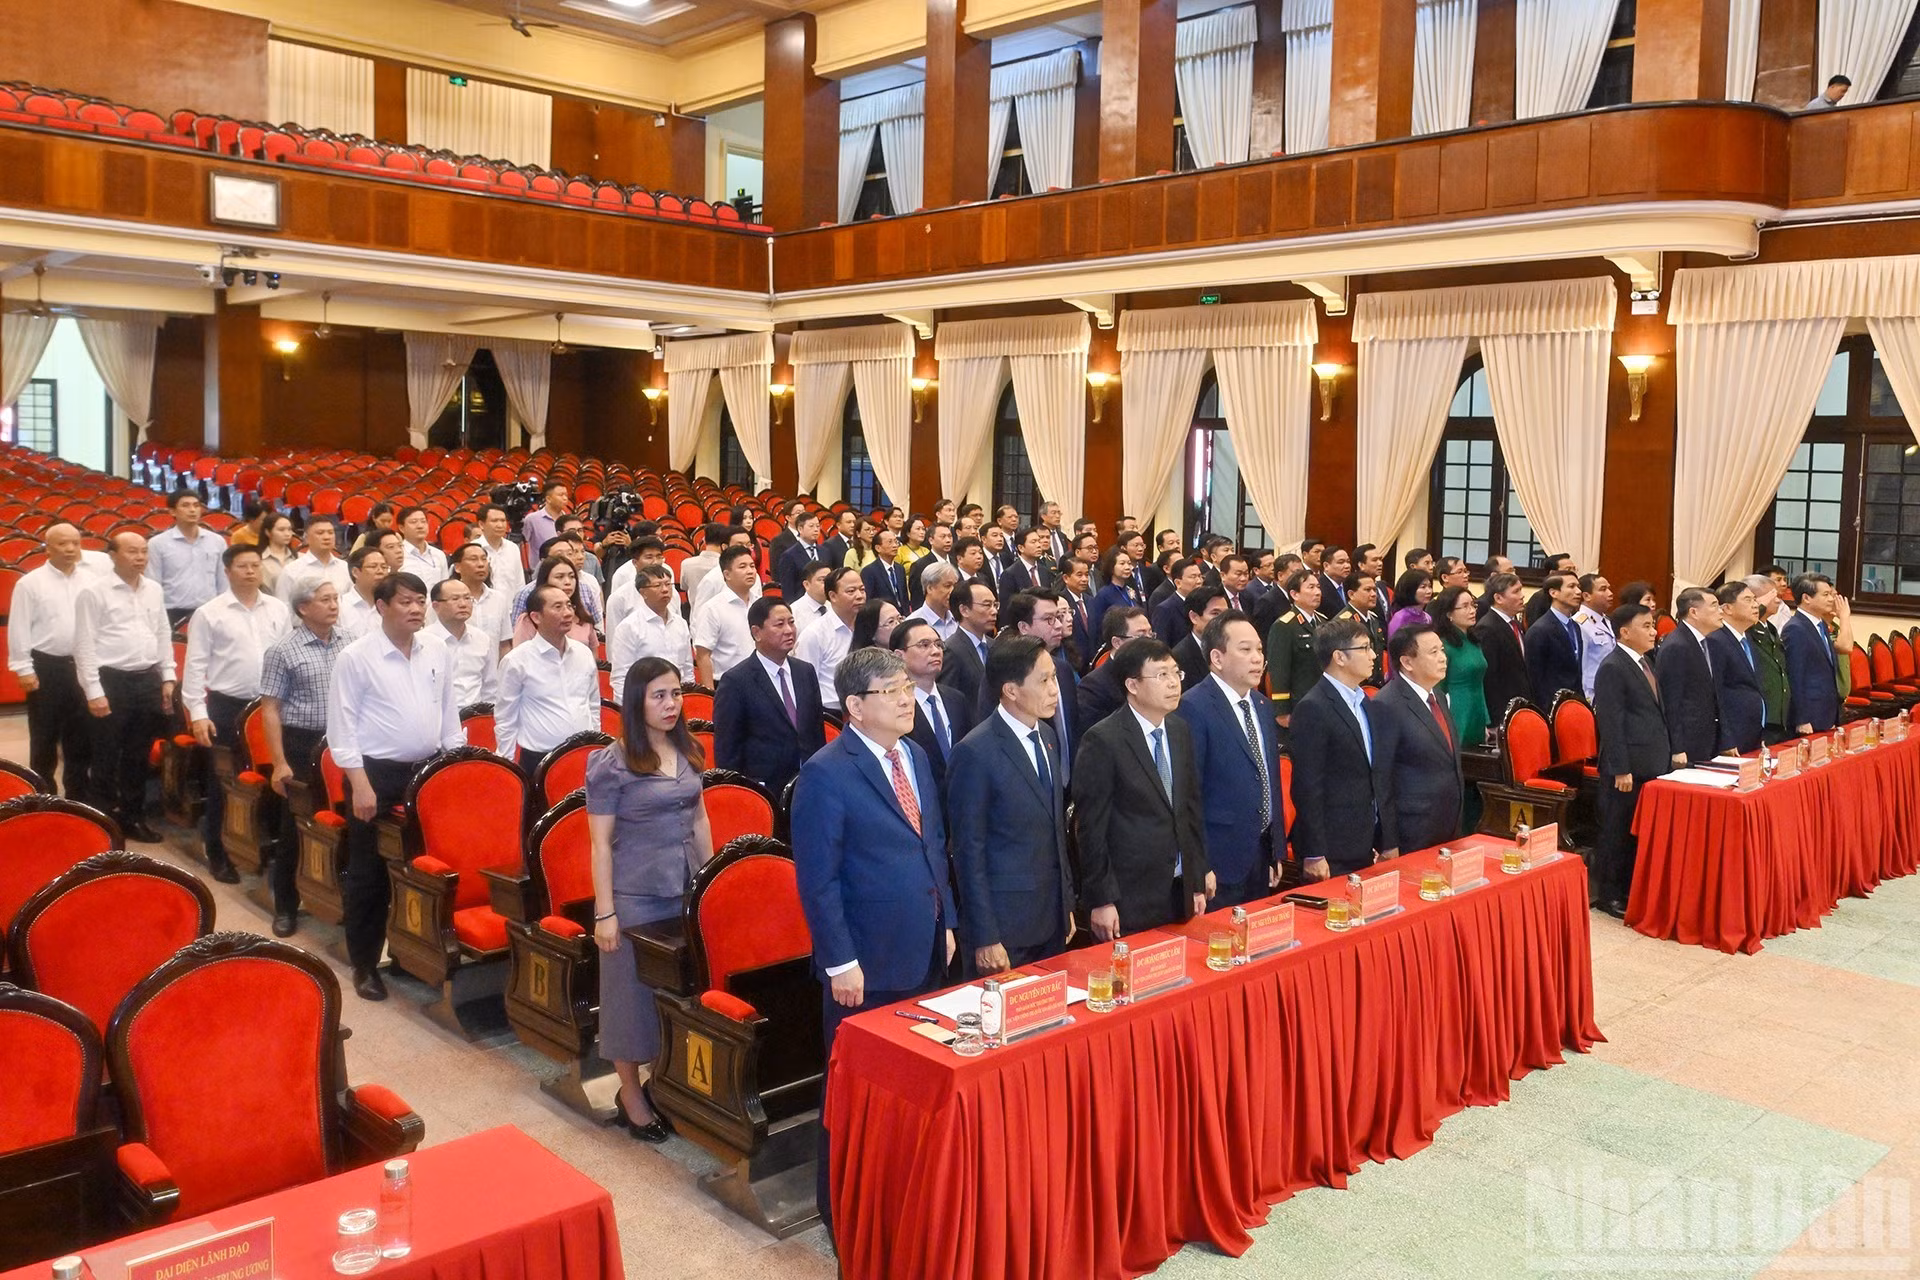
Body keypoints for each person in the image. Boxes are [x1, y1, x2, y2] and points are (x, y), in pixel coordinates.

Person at [792, 645, 955, 1236]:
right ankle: (842, 1211)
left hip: (926, 942)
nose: (907, 698)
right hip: (863, 960)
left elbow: (931, 844)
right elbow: (818, 879)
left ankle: (900, 1198)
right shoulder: (826, 772)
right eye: (892, 691)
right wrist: (840, 961)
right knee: (855, 1094)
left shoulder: (913, 754)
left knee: (911, 1087)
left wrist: (950, 921)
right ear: (856, 706)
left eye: (907, 687)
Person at [588, 656, 713, 1144]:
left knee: (676, 992)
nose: (671, 704)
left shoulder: (688, 748)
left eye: (676, 694)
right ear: (636, 701)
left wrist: (709, 881)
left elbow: (699, 818)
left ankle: (667, 1081)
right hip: (636, 893)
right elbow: (599, 844)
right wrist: (605, 912)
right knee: (630, 997)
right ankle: (630, 1093)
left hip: (683, 888)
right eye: (659, 695)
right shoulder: (612, 763)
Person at [326, 573, 463, 1000]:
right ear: (381, 607)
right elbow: (341, 727)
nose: (416, 609)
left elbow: (448, 713)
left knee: (422, 868)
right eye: (405, 601)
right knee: (369, 872)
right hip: (375, 776)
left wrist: (455, 766)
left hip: (426, 773)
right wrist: (359, 784)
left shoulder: (437, 649)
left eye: (420, 601)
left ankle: (412, 952)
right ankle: (365, 963)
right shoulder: (356, 657)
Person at [948, 635, 1073, 971]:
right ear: (1011, 690)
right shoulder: (975, 751)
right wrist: (986, 935)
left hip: (1051, 918)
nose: (1054, 690)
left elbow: (1055, 830)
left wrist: (1066, 903)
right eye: (1044, 680)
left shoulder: (1047, 737)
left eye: (1055, 678)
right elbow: (968, 851)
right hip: (1006, 927)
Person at [1073, 639, 1212, 935]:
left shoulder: (1178, 730)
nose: (1174, 683)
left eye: (1176, 673)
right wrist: (1101, 899)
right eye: (1162, 675)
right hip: (1129, 895)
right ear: (1132, 685)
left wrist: (1197, 877)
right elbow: (1091, 829)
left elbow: (1190, 808)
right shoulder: (1103, 739)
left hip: (1178, 888)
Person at [183, 543, 293, 883]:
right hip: (227, 705)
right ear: (228, 571)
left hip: (271, 707)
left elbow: (289, 656)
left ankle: (268, 843)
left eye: (255, 565)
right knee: (223, 782)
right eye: (243, 566)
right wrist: (198, 712)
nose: (250, 571)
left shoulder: (277, 608)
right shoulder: (210, 612)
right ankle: (216, 850)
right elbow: (195, 665)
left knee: (277, 775)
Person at [259, 577, 348, 937]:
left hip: (342, 743)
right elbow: (269, 709)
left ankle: (336, 897)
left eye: (335, 598)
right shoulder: (282, 650)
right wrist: (279, 760)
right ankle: (285, 907)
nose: (333, 605)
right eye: (324, 599)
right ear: (303, 608)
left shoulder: (350, 642)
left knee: (344, 824)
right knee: (294, 828)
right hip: (301, 744)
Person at [1175, 610, 1281, 909]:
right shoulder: (1193, 707)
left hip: (1259, 855)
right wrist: (1199, 865)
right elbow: (1188, 794)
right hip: (1217, 861)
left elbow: (1268, 777)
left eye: (1259, 649)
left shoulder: (1261, 704)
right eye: (1245, 650)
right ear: (1217, 658)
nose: (1257, 658)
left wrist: (1275, 850)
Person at [74, 530, 175, 843]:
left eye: (144, 551)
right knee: (105, 754)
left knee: (137, 754)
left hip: (146, 678)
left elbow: (162, 633)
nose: (140, 557)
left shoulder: (154, 590)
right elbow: (84, 644)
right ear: (113, 555)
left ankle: (132, 817)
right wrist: (94, 691)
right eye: (132, 551)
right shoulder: (94, 592)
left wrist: (167, 676)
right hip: (111, 680)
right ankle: (101, 824)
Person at [1590, 603, 1677, 919]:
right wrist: (1621, 767)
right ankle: (1609, 895)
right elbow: (1611, 723)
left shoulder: (1646, 662)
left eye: (1653, 625)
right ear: (1625, 632)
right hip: (1625, 769)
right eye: (1646, 626)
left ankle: (1629, 889)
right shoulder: (1614, 666)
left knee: (1637, 832)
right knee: (1618, 831)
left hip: (1652, 762)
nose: (1654, 632)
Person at [7, 521, 102, 799]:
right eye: (63, 543)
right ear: (48, 548)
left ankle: (78, 794)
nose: (71, 548)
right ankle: (42, 793)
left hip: (85, 665)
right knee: (44, 734)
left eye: (76, 543)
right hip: (47, 667)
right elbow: (19, 628)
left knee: (80, 734)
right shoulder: (30, 583)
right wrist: (23, 667)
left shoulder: (92, 581)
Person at [1288, 616, 1386, 879]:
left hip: (1365, 840)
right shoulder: (1314, 707)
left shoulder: (1364, 701)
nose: (1373, 655)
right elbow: (1307, 786)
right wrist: (1314, 852)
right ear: (1339, 657)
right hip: (1333, 847)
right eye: (1364, 648)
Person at [713, 598, 826, 799]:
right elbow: (728, 749)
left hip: (811, 782)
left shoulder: (805, 671)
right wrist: (743, 791)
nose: (789, 630)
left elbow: (816, 730)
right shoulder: (736, 681)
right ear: (756, 632)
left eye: (791, 622)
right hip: (765, 789)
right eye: (779, 624)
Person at [1368, 624, 1463, 856]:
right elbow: (1382, 778)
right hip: (1413, 829)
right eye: (1434, 653)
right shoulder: (1387, 703)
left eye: (1442, 650)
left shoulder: (1437, 695)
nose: (1443, 658)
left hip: (1449, 822)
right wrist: (1388, 841)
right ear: (1407, 662)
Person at [495, 585, 601, 771]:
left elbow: (592, 703)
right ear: (536, 617)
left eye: (569, 606)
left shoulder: (583, 653)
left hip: (583, 753)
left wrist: (596, 742)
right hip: (538, 759)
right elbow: (506, 717)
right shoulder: (516, 661)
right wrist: (507, 763)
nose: (567, 613)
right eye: (558, 607)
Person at [892, 617, 973, 794]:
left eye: (938, 644)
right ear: (899, 656)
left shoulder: (956, 699)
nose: (935, 651)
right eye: (924, 645)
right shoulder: (896, 707)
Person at [1657, 586, 1723, 766]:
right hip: (1688, 742)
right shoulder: (1677, 645)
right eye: (1714, 606)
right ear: (1694, 612)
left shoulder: (1705, 641)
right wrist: (1677, 747)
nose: (1721, 611)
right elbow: (1672, 701)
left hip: (1707, 738)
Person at [1076, 607, 1154, 754]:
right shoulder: (1093, 686)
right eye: (1141, 636)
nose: (1149, 641)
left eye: (1151, 634)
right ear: (1117, 642)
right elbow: (1096, 741)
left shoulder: (1152, 674)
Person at [609, 563, 693, 699]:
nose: (665, 589)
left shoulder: (680, 623)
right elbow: (621, 677)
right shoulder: (629, 627)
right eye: (657, 585)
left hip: (676, 698)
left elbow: (687, 668)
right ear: (643, 593)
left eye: (668, 584)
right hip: (645, 700)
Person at [148, 490, 227, 626]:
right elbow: (153, 582)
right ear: (172, 511)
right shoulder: (158, 543)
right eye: (185, 505)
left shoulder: (217, 541)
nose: (192, 510)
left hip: (210, 611)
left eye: (196, 505)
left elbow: (223, 581)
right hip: (172, 612)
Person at [1708, 581, 1768, 755]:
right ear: (1727, 608)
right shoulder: (1716, 640)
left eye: (1755, 599)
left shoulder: (1747, 637)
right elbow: (1716, 692)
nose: (1756, 605)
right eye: (1748, 600)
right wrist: (1726, 739)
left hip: (1753, 730)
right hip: (1733, 734)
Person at [793, 567, 866, 711]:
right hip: (832, 715)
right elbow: (804, 687)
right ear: (833, 596)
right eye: (851, 591)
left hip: (867, 711)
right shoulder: (815, 634)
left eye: (862, 589)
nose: (859, 596)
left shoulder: (868, 625)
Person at [1429, 586, 1490, 747]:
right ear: (1449, 614)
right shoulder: (1443, 645)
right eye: (1465, 606)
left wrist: (1485, 718)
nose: (1472, 610)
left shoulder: (1473, 640)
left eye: (1473, 605)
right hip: (1456, 711)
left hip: (1476, 710)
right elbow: (1437, 687)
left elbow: (1479, 683)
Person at [1266, 569, 1326, 731]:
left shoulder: (1323, 621)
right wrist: (1282, 710)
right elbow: (1278, 670)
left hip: (1323, 700)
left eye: (1318, 587)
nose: (1317, 592)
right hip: (1299, 702)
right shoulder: (1284, 625)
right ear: (1295, 594)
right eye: (1311, 587)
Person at [425, 578, 499, 707]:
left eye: (467, 598)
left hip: (476, 718)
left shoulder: (482, 639)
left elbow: (490, 686)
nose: (463, 604)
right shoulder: (424, 642)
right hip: (439, 718)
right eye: (455, 599)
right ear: (436, 606)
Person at [692, 545, 760, 686]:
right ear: (727, 574)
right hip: (727, 683)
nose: (750, 571)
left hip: (761, 681)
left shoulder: (761, 604)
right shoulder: (713, 608)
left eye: (752, 566)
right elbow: (703, 654)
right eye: (742, 567)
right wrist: (710, 691)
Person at [1785, 572, 1843, 734]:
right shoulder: (1795, 629)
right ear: (1807, 598)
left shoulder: (1821, 624)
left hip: (1826, 712)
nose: (1831, 599)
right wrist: (1801, 719)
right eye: (1825, 595)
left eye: (1831, 594)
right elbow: (1795, 676)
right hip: (1810, 715)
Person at [1471, 571, 1529, 728]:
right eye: (1516, 591)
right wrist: (1496, 720)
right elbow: (1489, 678)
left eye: (1521, 590)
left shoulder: (1514, 623)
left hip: (1519, 708)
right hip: (1502, 714)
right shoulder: (1487, 627)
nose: (1522, 596)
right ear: (1498, 598)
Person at [1524, 572, 1586, 708]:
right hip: (1552, 708)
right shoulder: (1540, 630)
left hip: (1575, 704)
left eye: (1579, 587)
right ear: (1554, 592)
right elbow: (1536, 679)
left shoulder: (1575, 626)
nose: (1578, 592)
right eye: (1571, 586)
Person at [1743, 574, 1791, 743]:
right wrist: (1759, 603)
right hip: (1762, 715)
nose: (1779, 600)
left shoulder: (1770, 628)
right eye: (1774, 596)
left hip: (1779, 715)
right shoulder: (1748, 629)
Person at [937, 581, 998, 708]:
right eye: (987, 605)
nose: (994, 611)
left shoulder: (995, 645)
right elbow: (949, 700)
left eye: (995, 605)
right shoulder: (951, 650)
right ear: (964, 610)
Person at [446, 543, 512, 652]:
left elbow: (504, 644)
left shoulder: (499, 599)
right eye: (473, 559)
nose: (481, 564)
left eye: (484, 559)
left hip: (492, 667)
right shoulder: (445, 599)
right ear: (457, 567)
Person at [276, 515, 351, 605]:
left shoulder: (345, 567)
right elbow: (282, 606)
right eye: (320, 533)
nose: (327, 537)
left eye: (330, 532)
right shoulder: (292, 571)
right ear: (307, 538)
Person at [1334, 573, 1386, 687]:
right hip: (1355, 685)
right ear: (1351, 594)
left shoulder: (1373, 618)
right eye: (1367, 590)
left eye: (1374, 590)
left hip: (1376, 685)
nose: (1373, 594)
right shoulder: (1344, 622)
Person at [1170, 586, 1227, 691]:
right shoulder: (1179, 657)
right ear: (1194, 617)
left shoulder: (1231, 647)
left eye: (1225, 614)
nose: (1223, 620)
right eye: (1215, 614)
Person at [1573, 575, 1617, 699]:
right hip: (1591, 692)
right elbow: (1581, 664)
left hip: (1610, 687)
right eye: (1603, 589)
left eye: (1609, 588)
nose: (1610, 593)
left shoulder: (1607, 620)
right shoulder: (1579, 623)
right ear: (1586, 596)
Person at [1087, 547, 1142, 640]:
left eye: (1129, 563)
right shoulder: (1104, 594)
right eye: (1122, 563)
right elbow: (1097, 626)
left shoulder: (1130, 590)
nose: (1127, 567)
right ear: (1111, 567)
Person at [473, 504, 527, 595]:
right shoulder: (473, 548)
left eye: (503, 521)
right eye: (494, 521)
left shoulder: (513, 548)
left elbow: (519, 583)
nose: (500, 525)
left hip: (510, 607)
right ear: (481, 524)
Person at [775, 510, 825, 604]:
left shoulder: (825, 551)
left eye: (818, 526)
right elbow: (788, 589)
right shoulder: (789, 555)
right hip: (801, 605)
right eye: (811, 526)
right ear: (800, 529)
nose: (816, 529)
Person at [521, 481, 570, 572]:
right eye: (561, 495)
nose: (565, 498)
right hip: (538, 572)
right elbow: (523, 544)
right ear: (548, 499)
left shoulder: (568, 520)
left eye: (566, 495)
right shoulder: (532, 519)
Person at [1150, 558, 1204, 640]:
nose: (1199, 581)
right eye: (1193, 577)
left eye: (1200, 576)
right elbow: (1161, 642)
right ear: (1178, 583)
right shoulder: (1165, 609)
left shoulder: (1203, 603)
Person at [908, 560, 961, 642]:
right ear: (930, 588)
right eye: (947, 586)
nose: (953, 591)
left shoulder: (960, 618)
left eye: (955, 586)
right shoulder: (913, 624)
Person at [905, 524, 955, 607]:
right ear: (931, 540)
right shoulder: (920, 566)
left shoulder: (955, 562)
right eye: (943, 537)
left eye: (950, 536)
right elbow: (918, 599)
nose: (948, 540)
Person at [395, 506, 448, 584]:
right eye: (413, 522)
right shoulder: (397, 554)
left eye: (423, 521)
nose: (420, 526)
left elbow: (445, 586)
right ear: (401, 528)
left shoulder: (439, 554)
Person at [677, 523, 728, 605]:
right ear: (725, 545)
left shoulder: (686, 564)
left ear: (704, 540)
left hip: (695, 615)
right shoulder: (728, 567)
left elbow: (684, 587)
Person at [1001, 527, 1056, 596]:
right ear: (1021, 548)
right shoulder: (1010, 574)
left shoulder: (1044, 571)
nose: (1039, 545)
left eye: (1039, 541)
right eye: (1033, 542)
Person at [1524, 554, 1577, 626]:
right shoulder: (1539, 598)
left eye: (1574, 569)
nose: (1573, 573)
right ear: (1552, 573)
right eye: (1568, 569)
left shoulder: (1576, 594)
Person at [860, 529, 909, 606]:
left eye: (896, 542)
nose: (895, 545)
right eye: (890, 542)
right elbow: (869, 601)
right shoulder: (869, 571)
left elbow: (904, 597)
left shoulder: (900, 569)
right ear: (878, 548)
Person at [788, 561, 835, 637]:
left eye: (830, 580)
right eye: (822, 580)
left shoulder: (834, 607)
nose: (828, 584)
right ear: (806, 585)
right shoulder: (794, 612)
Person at [1386, 569, 1435, 638]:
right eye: (1423, 587)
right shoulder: (1400, 617)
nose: (1429, 591)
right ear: (1410, 590)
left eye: (1430, 586)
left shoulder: (1427, 618)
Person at [258, 513, 297, 593]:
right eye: (281, 530)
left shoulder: (299, 558)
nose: (287, 534)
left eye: (289, 529)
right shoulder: (258, 559)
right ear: (268, 532)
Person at [1318, 547, 1352, 615]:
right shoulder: (1319, 588)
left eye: (1348, 562)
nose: (1347, 566)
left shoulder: (1351, 585)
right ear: (1326, 566)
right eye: (1341, 562)